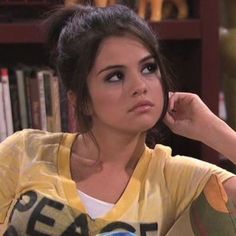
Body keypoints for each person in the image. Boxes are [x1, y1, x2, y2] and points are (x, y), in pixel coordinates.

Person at [0, 4, 236, 236]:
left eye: (148, 68)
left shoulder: (174, 178)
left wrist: (212, 129)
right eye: (115, 76)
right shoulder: (24, 152)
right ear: (82, 100)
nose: (140, 86)